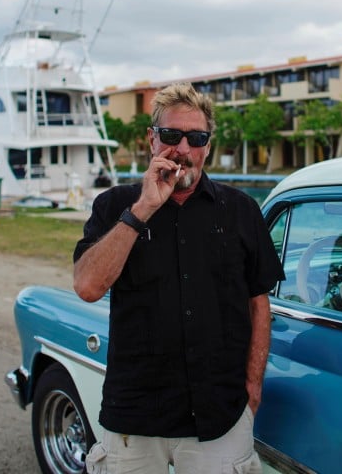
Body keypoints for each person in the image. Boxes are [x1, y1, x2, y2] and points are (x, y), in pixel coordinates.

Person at [74, 83, 284, 473]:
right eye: (171, 136)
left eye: (196, 138)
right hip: (133, 418)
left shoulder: (241, 210)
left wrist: (252, 388)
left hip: (219, 415)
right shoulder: (115, 206)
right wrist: (142, 209)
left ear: (208, 144)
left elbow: (259, 303)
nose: (183, 150)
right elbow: (87, 286)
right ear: (152, 140)